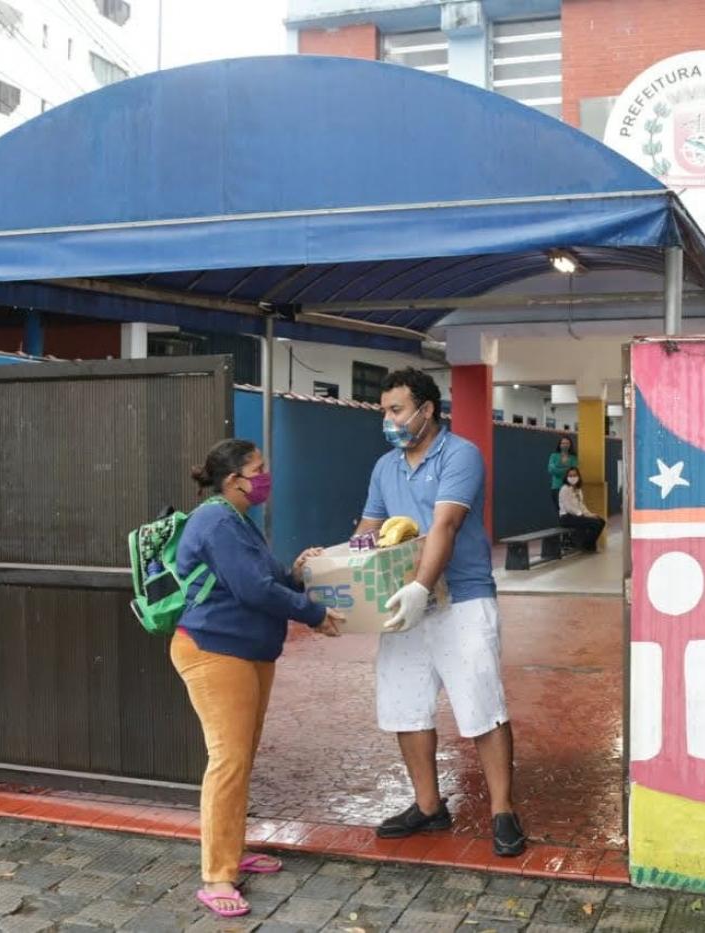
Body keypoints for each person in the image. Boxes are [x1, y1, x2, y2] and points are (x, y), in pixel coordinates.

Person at [353, 368, 527, 857]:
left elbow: (446, 526)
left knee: (482, 706)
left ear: (427, 410)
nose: (388, 420)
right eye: (384, 411)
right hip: (404, 607)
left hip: (462, 600)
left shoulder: (461, 455)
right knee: (404, 705)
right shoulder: (385, 467)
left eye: (396, 410)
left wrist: (420, 586)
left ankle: (502, 810)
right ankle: (428, 806)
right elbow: (368, 531)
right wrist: (331, 563)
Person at [171, 439, 345, 918]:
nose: (266, 476)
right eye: (259, 469)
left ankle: (231, 847)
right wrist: (311, 614)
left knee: (241, 755)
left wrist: (296, 574)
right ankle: (217, 875)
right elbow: (251, 589)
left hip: (247, 651)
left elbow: (264, 582)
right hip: (214, 650)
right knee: (227, 759)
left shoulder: (238, 522)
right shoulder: (215, 520)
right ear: (234, 481)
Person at [558, 466, 605, 552]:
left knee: (601, 521)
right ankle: (587, 546)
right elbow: (568, 507)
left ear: (578, 476)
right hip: (566, 517)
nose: (572, 477)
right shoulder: (564, 489)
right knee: (595, 524)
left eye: (575, 475)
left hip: (577, 516)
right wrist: (581, 515)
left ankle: (587, 545)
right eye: (570, 475)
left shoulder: (578, 489)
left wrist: (590, 514)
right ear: (566, 477)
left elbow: (581, 505)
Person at [547, 435, 577, 515]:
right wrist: (566, 469)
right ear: (559, 445)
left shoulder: (573, 458)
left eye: (567, 443)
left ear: (570, 445)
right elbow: (551, 469)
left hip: (569, 487)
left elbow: (573, 472)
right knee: (559, 510)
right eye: (563, 443)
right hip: (556, 487)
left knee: (569, 510)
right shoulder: (554, 456)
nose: (565, 445)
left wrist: (558, 469)